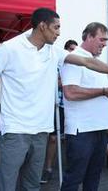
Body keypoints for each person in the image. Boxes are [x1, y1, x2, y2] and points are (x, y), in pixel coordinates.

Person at [0, 8, 108, 191]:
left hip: (42, 130)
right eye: (56, 27)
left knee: (31, 185)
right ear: (42, 26)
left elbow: (88, 62)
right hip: (16, 130)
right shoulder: (10, 48)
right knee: (6, 185)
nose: (59, 32)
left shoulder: (53, 51)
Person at [60, 22, 108, 190]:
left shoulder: (95, 62)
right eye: (102, 39)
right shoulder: (74, 58)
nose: (105, 44)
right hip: (81, 131)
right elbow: (71, 93)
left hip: (98, 129)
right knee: (74, 178)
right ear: (88, 37)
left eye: (106, 40)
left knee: (93, 178)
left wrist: (107, 124)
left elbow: (98, 95)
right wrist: (103, 91)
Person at [40, 39, 78, 184]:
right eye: (70, 49)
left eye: (75, 49)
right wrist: (64, 82)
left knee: (71, 138)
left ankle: (72, 168)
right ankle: (48, 169)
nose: (72, 52)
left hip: (73, 107)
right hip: (57, 106)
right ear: (65, 49)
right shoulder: (57, 63)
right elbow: (52, 82)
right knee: (53, 138)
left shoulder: (76, 66)